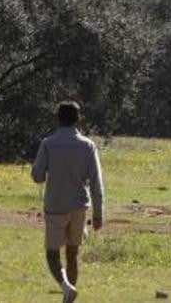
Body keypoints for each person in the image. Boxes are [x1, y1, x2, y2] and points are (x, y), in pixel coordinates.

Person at [32, 100, 105, 303]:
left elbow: (38, 176)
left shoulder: (48, 144)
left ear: (57, 119)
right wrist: (98, 214)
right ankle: (69, 294)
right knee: (72, 253)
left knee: (52, 254)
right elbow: (96, 183)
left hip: (55, 205)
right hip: (79, 206)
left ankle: (66, 287)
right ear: (78, 119)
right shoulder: (88, 146)